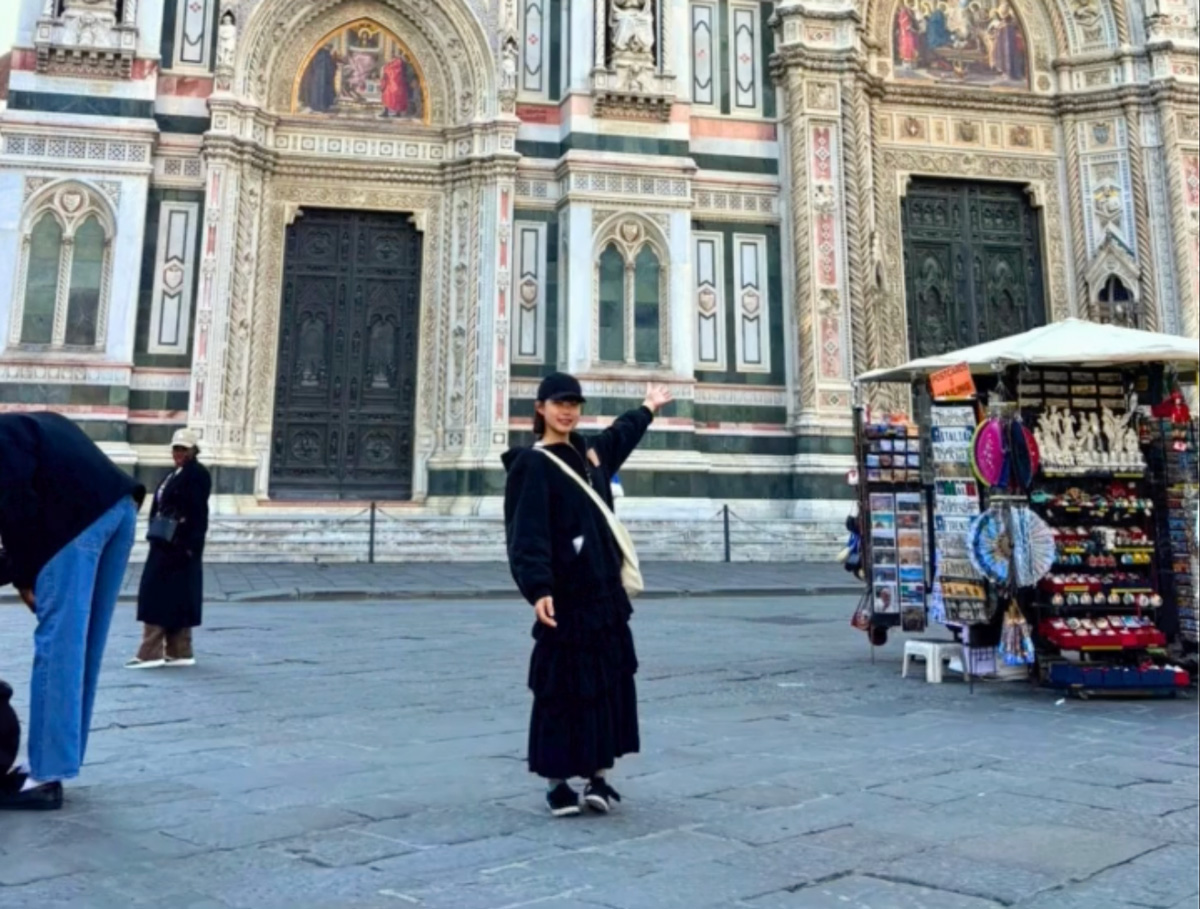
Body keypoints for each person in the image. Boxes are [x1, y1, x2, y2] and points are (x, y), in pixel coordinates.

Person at [502, 372, 673, 817]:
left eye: (574, 404)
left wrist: (648, 408)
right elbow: (526, 533)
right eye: (559, 403)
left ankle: (598, 776)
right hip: (566, 597)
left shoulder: (590, 455)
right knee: (561, 688)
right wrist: (538, 588)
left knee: (607, 684)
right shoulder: (532, 464)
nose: (567, 411)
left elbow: (621, 435)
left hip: (604, 596)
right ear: (540, 408)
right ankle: (557, 782)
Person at [0, 412, 144, 810]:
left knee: (58, 647)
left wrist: (24, 578)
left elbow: (16, 507)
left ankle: (44, 777)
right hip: (120, 510)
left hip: (74, 524)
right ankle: (56, 762)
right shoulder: (31, 424)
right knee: (83, 647)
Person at [127, 429, 212, 670]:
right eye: (176, 448)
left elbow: (198, 513)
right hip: (166, 543)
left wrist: (190, 547)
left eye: (183, 449)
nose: (178, 453)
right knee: (176, 597)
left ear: (193, 450)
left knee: (156, 596)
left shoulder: (197, 474)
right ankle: (179, 651)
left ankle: (149, 652)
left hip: (178, 546)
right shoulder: (175, 473)